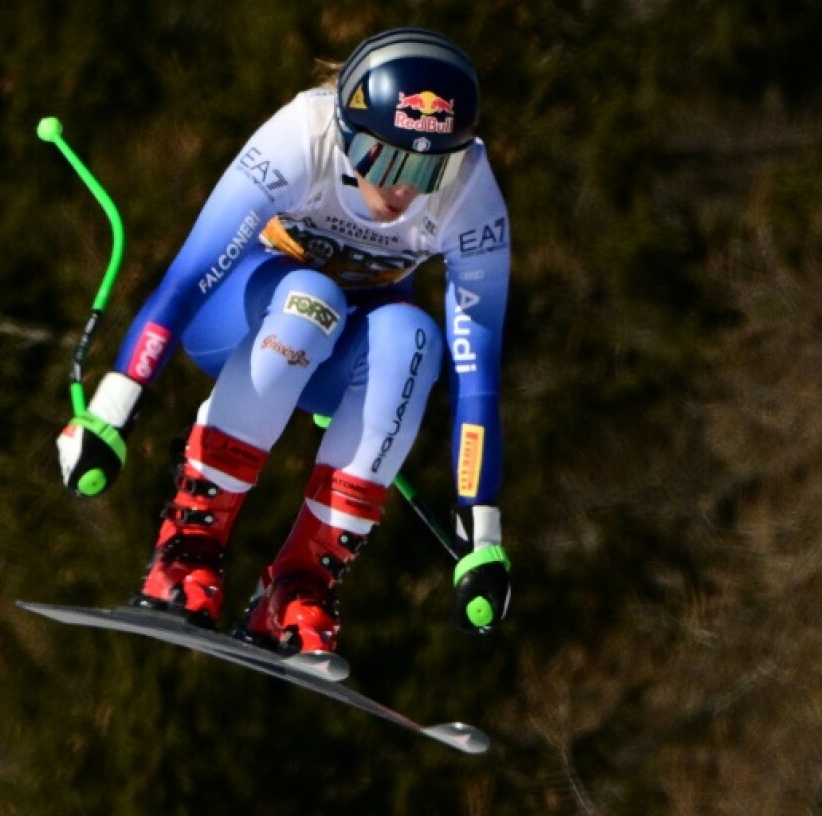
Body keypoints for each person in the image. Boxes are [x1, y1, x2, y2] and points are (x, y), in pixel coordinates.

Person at [56, 26, 512, 656]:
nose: (403, 190)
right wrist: (110, 412)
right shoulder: (304, 135)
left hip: (336, 357)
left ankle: (300, 584)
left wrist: (482, 533)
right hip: (238, 323)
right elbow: (188, 279)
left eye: (429, 168)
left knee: (416, 338)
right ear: (349, 134)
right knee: (311, 300)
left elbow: (477, 376)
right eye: (386, 160)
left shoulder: (472, 194)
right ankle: (188, 547)